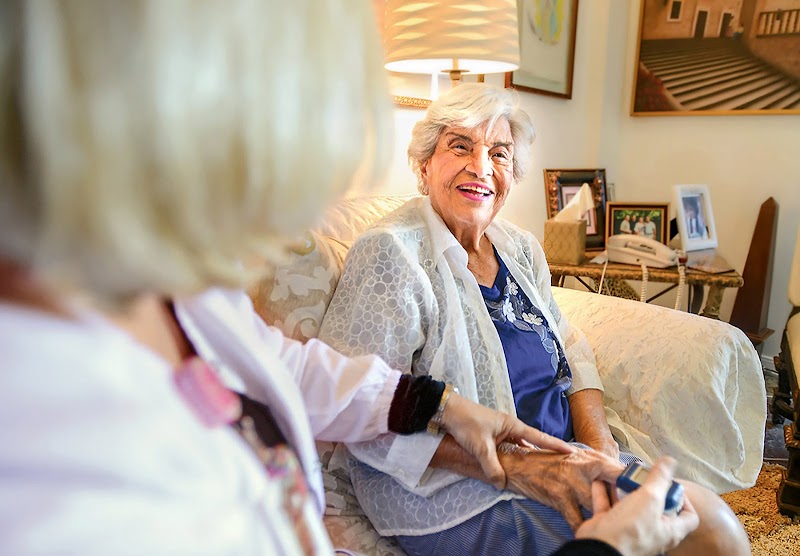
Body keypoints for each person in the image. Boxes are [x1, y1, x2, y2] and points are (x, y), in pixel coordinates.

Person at [0, 2, 577, 554]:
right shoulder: (56, 452)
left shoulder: (171, 293)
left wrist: (438, 405)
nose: (285, 232)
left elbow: (284, 365)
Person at [319, 83, 749, 555]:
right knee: (701, 534)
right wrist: (520, 467)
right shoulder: (391, 254)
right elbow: (361, 405)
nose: (481, 167)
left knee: (705, 518)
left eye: (498, 154)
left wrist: (599, 447)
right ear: (425, 165)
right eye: (460, 146)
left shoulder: (519, 248)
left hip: (566, 454)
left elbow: (571, 348)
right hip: (459, 488)